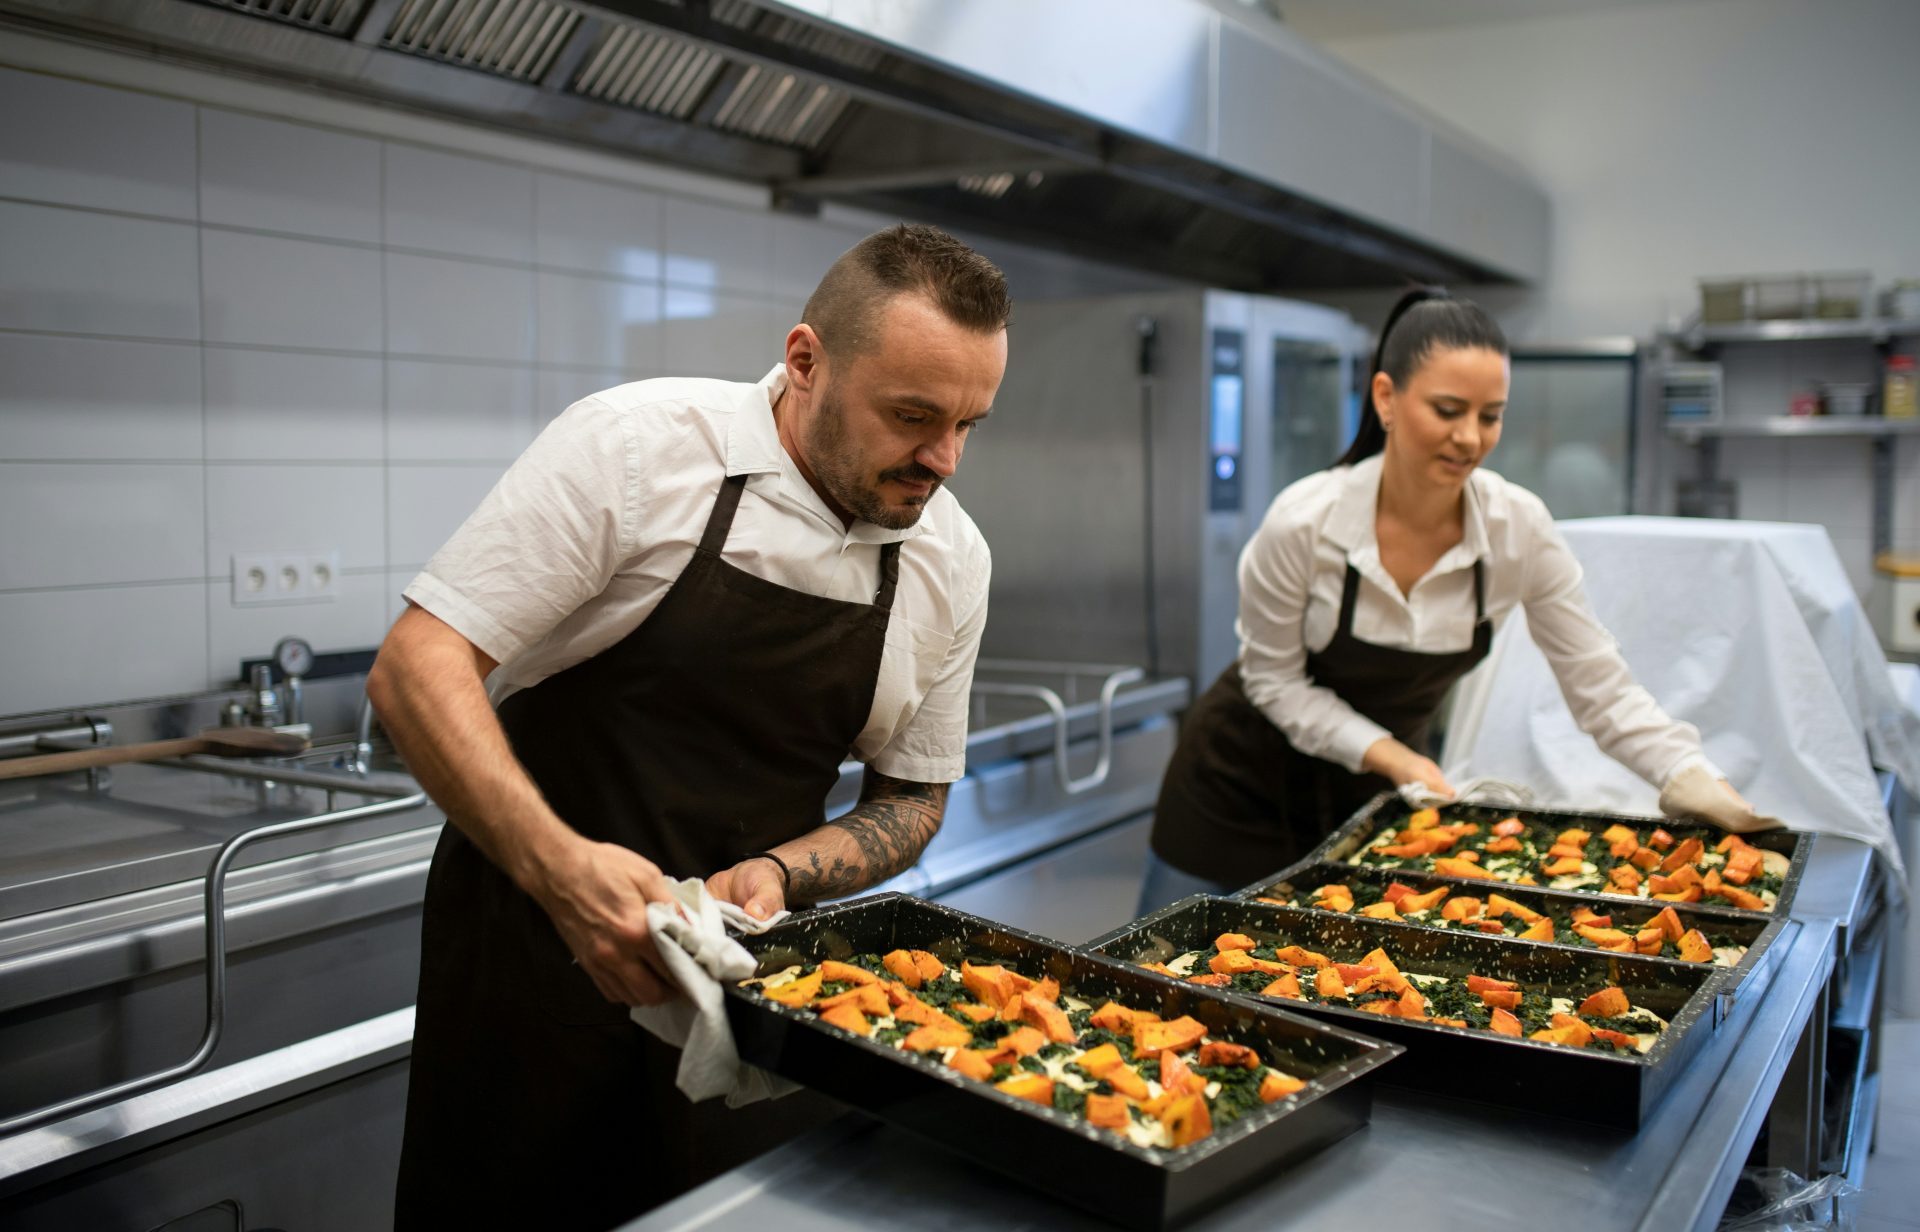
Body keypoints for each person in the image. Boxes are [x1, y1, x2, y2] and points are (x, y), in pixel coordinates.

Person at [373, 223, 1007, 1229]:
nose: (944, 459)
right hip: (529, 958)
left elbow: (912, 796)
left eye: (972, 421)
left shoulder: (951, 559)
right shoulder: (638, 450)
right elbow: (416, 664)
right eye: (913, 416)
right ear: (806, 361)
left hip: (742, 992)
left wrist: (786, 872)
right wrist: (562, 871)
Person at [1140, 287, 1760, 909]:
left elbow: (1598, 682)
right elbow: (1273, 682)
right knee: (1170, 980)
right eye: (1447, 410)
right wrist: (1394, 756)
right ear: (1386, 397)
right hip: (1230, 793)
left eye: (1490, 416)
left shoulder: (1517, 529)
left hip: (1368, 808)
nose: (1470, 437)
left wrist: (1685, 773)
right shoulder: (1305, 524)